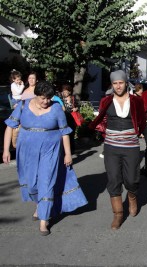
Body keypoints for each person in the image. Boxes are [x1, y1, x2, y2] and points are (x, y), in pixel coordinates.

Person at [2, 81, 87, 236]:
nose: (46, 101)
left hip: (50, 150)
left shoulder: (56, 109)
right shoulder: (23, 106)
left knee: (46, 182)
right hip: (26, 152)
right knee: (32, 184)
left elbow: (64, 132)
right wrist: (6, 150)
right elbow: (9, 127)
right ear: (36, 95)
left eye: (49, 98)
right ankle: (40, 206)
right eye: (43, 98)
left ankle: (44, 220)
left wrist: (67, 154)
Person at [89, 70, 146, 230]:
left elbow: (142, 121)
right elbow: (102, 120)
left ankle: (132, 196)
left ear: (126, 83)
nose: (118, 86)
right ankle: (118, 214)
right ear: (112, 85)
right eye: (115, 83)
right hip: (111, 146)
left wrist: (136, 133)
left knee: (132, 179)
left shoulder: (136, 101)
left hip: (131, 146)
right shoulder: (106, 101)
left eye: (121, 82)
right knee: (114, 179)